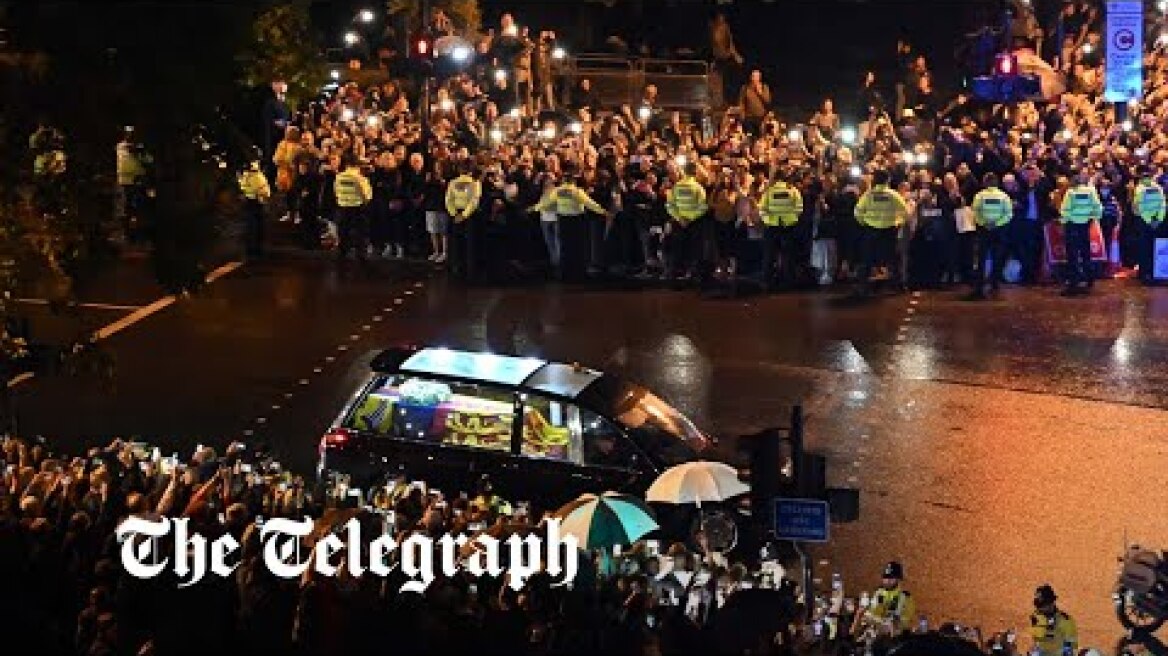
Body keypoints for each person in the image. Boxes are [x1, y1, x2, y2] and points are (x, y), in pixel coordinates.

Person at [529, 167, 607, 281]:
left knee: (564, 248)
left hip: (563, 221)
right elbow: (590, 203)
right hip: (577, 221)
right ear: (573, 181)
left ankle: (564, 272)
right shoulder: (577, 191)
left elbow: (546, 203)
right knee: (577, 247)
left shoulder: (558, 191)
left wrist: (533, 208)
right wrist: (603, 211)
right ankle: (578, 272)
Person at [853, 169, 910, 295]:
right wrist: (898, 223)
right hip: (889, 230)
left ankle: (863, 287)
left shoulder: (868, 195)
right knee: (892, 259)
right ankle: (898, 286)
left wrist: (864, 223)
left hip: (871, 229)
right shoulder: (893, 195)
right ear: (887, 180)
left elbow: (857, 211)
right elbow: (905, 213)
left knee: (867, 259)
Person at [969, 172, 1014, 299]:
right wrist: (997, 223)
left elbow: (975, 212)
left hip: (984, 230)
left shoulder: (980, 196)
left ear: (985, 182)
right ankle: (994, 283)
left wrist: (984, 223)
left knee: (981, 258)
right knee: (997, 258)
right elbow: (1008, 214)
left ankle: (979, 286)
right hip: (999, 230)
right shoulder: (1004, 196)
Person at [1058, 169, 1102, 295]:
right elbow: (1097, 207)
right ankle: (1089, 278)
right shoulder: (1090, 191)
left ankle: (1074, 281)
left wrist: (1064, 222)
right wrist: (1092, 218)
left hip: (1072, 225)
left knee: (1072, 255)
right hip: (1085, 225)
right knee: (1085, 253)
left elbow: (1065, 210)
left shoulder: (1071, 192)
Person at [758, 172, 804, 291]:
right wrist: (791, 219)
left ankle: (767, 282)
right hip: (788, 226)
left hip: (772, 226)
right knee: (788, 256)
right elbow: (799, 208)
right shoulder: (793, 190)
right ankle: (788, 282)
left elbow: (762, 209)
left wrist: (769, 220)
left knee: (769, 256)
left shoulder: (769, 191)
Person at [664, 163, 710, 281]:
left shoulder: (676, 187)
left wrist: (679, 218)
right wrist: (690, 218)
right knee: (694, 251)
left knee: (678, 250)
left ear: (684, 172)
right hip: (694, 224)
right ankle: (692, 275)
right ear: (695, 173)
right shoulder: (698, 188)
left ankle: (676, 276)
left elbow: (669, 205)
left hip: (678, 224)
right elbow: (703, 207)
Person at [334, 154, 374, 265]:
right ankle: (361, 255)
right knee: (361, 232)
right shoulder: (360, 178)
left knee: (343, 232)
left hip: (343, 207)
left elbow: (336, 192)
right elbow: (367, 195)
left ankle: (342, 253)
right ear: (357, 166)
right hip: (357, 208)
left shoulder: (339, 177)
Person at [858, 561, 917, 637]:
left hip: (896, 638)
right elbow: (870, 614)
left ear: (898, 579)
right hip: (876, 635)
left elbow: (903, 622)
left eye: (891, 578)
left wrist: (891, 624)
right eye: (885, 577)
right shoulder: (878, 594)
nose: (887, 581)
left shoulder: (905, 598)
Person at [446, 164, 484, 280]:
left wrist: (454, 214)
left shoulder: (452, 183)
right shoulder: (475, 183)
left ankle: (456, 268)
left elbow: (448, 200)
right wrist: (464, 215)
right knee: (470, 244)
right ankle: (470, 271)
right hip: (470, 216)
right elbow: (474, 202)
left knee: (455, 243)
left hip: (455, 214)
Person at [1132, 166, 1166, 284]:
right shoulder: (1158, 187)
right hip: (1157, 222)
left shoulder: (1139, 189)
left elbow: (1140, 207)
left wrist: (1149, 220)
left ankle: (1144, 274)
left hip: (1144, 222)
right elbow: (1162, 205)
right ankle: (1153, 272)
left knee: (1143, 248)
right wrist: (1158, 219)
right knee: (1154, 248)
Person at [237, 155, 272, 261]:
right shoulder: (257, 175)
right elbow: (265, 192)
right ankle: (255, 250)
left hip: (250, 202)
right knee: (256, 227)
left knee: (251, 227)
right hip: (256, 202)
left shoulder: (245, 174)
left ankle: (251, 250)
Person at [1029, 584, 1077, 656]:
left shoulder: (1065, 621)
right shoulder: (1036, 617)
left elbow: (1070, 648)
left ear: (1051, 603)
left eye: (1042, 605)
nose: (1039, 609)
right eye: (1038, 606)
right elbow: (1037, 641)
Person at [737, 70, 772, 136]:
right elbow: (741, 102)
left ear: (759, 78)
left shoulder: (764, 87)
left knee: (760, 137)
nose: (755, 78)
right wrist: (742, 114)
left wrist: (760, 93)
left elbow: (768, 101)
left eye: (757, 76)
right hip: (749, 118)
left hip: (762, 117)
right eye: (753, 76)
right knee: (750, 136)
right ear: (751, 77)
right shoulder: (745, 88)